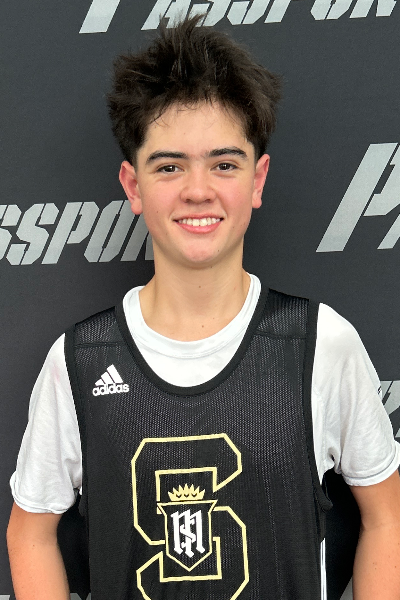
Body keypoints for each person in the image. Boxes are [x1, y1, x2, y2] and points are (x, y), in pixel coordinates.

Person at [7, 16, 400, 600]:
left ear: (257, 180)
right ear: (133, 186)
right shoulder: (79, 362)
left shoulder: (320, 343)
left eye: (224, 164)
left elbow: (387, 517)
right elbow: (30, 533)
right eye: (169, 166)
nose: (198, 190)